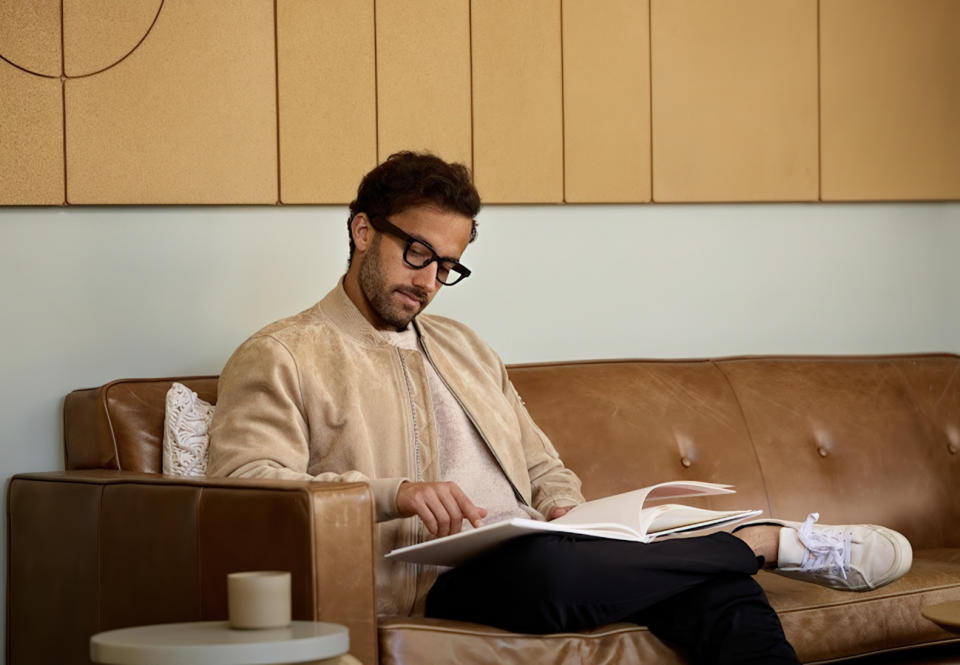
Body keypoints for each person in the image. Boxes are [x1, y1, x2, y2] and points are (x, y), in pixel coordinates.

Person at [208, 151, 912, 665]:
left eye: (446, 267)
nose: (428, 282)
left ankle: (729, 554)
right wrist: (400, 492)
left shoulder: (464, 346)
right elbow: (245, 491)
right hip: (429, 582)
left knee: (719, 596)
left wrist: (568, 509)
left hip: (532, 545)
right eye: (416, 254)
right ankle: (760, 542)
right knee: (563, 576)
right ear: (364, 230)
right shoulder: (284, 353)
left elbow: (543, 462)